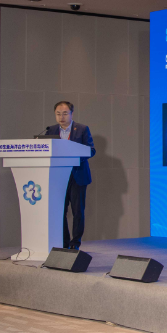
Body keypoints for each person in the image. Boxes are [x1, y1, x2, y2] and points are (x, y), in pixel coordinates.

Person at [43, 101, 96, 249]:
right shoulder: (51, 130)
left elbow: (91, 150)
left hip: (77, 176)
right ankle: (64, 242)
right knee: (60, 211)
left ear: (72, 114)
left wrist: (74, 158)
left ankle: (75, 243)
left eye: (65, 113)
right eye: (58, 114)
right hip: (58, 177)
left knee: (78, 212)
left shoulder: (82, 129)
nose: (61, 117)